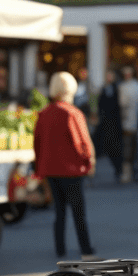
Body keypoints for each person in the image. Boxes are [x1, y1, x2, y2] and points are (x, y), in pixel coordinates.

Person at [34, 71, 95, 260]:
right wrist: (89, 162)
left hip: (51, 170)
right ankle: (85, 249)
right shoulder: (73, 113)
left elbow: (37, 143)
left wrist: (39, 167)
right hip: (72, 170)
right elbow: (82, 143)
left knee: (59, 212)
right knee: (78, 213)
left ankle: (60, 249)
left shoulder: (44, 114)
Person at [92, 67, 123, 183]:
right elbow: (100, 105)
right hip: (104, 123)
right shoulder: (104, 89)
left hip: (115, 124)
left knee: (115, 148)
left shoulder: (117, 88)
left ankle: (118, 169)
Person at [118, 65, 138, 182]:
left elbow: (122, 104)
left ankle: (129, 172)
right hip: (133, 121)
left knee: (129, 147)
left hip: (130, 121)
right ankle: (131, 171)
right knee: (131, 147)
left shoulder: (127, 87)